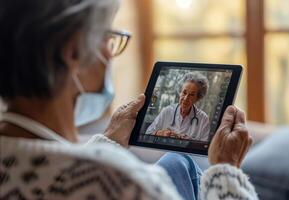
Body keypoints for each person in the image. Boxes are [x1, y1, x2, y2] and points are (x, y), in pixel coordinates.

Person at [0, 0, 257, 199]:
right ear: (73, 52)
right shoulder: (122, 180)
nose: (111, 55)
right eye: (108, 39)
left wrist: (108, 141)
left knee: (178, 162)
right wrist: (227, 170)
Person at [146, 73, 210, 141]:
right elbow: (148, 133)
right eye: (184, 93)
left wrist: (189, 141)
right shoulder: (167, 111)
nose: (185, 98)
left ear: (197, 98)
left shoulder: (203, 119)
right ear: (180, 92)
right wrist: (160, 133)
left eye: (191, 95)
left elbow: (204, 147)